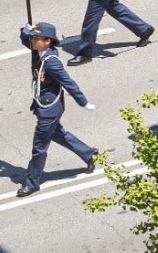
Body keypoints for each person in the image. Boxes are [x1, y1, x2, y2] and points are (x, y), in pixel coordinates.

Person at [15, 23, 97, 198]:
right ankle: (88, 153)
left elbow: (69, 83)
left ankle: (32, 182)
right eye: (34, 37)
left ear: (47, 41)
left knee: (39, 147)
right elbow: (24, 39)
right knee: (58, 134)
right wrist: (26, 29)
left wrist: (83, 102)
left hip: (49, 109)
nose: (33, 41)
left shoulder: (52, 63)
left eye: (37, 38)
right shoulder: (38, 50)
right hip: (42, 105)